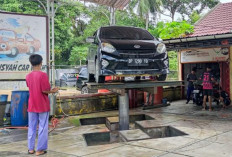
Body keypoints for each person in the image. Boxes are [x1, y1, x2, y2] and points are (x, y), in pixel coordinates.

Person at [26, 54, 59, 156]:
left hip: (32, 105)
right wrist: (54, 91)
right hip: (42, 105)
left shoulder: (28, 76)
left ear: (31, 63)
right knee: (43, 127)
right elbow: (45, 90)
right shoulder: (43, 75)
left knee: (31, 127)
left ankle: (31, 149)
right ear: (41, 63)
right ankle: (40, 150)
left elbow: (31, 87)